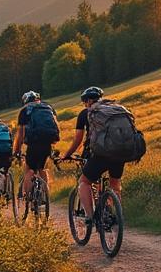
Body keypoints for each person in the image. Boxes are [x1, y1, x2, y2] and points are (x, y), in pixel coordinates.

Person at [59, 86, 122, 227]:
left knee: (84, 182)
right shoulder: (115, 110)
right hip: (119, 154)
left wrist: (67, 155)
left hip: (99, 155)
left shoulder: (85, 113)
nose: (85, 105)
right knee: (115, 184)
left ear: (87, 101)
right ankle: (116, 215)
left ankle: (90, 216)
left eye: (84, 102)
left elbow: (78, 139)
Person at [13, 91, 58, 199]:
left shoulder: (25, 110)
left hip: (33, 144)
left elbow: (20, 134)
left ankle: (28, 197)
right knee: (42, 168)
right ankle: (45, 197)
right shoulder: (48, 108)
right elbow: (56, 125)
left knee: (29, 169)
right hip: (47, 143)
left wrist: (17, 151)